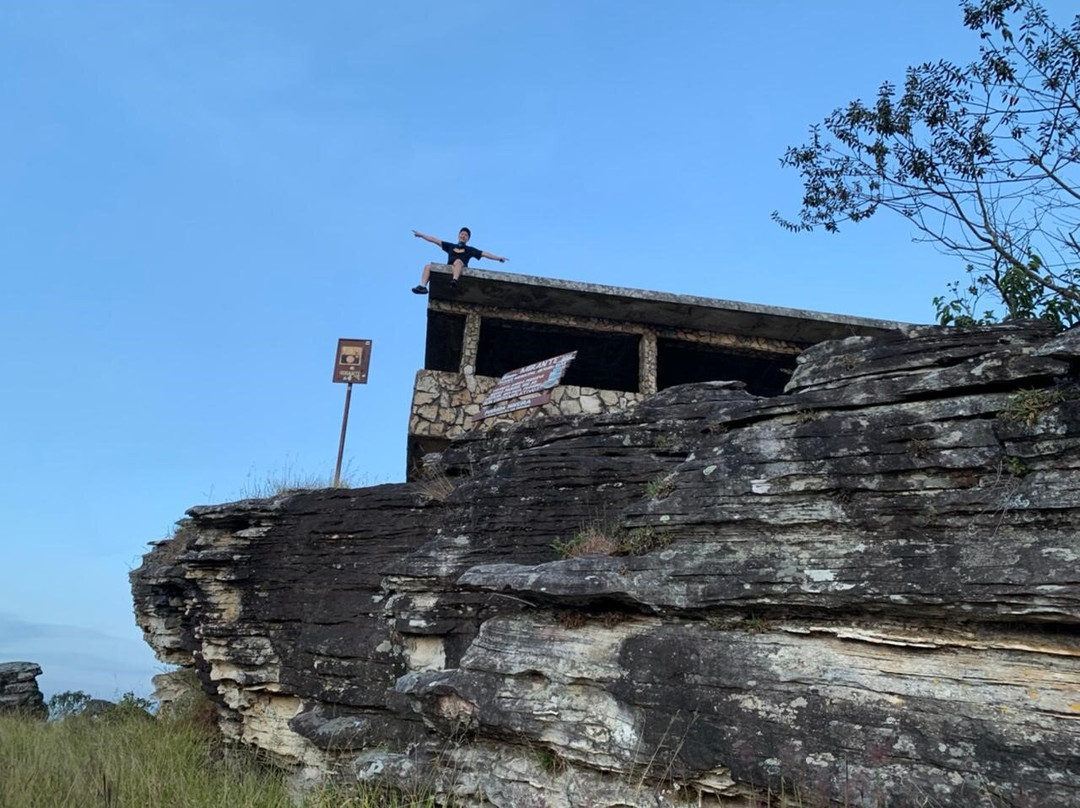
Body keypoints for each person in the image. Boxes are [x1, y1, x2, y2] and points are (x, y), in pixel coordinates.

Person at [411, 227, 508, 294]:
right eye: (462, 234)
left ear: (468, 239)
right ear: (458, 235)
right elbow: (435, 240)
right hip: (450, 268)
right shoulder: (450, 246)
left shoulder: (469, 250)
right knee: (428, 266)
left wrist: (498, 258)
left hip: (461, 269)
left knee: (458, 261)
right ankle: (423, 287)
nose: (463, 236)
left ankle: (454, 280)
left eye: (466, 235)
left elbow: (485, 254)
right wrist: (421, 235)